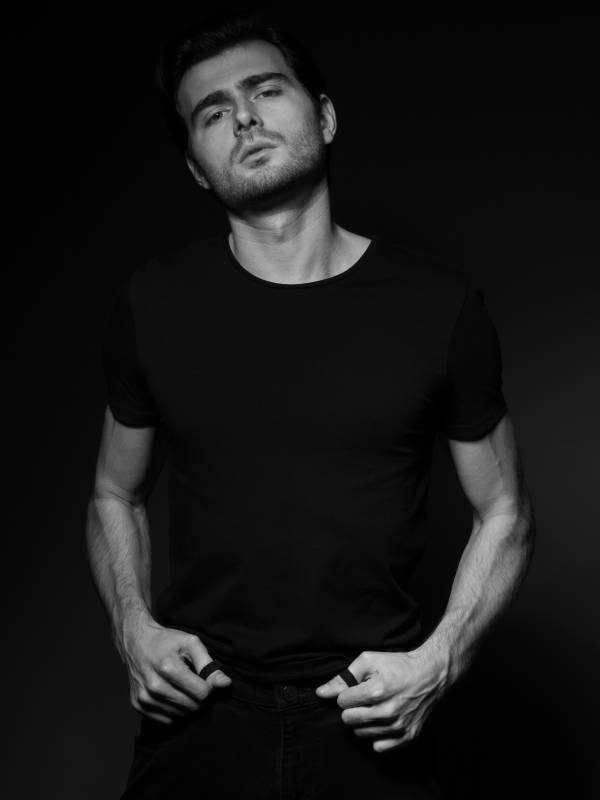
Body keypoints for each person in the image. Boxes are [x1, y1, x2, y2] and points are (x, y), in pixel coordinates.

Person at [87, 9, 536, 799]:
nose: (244, 118)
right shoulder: (153, 304)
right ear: (196, 167)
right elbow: (112, 493)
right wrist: (133, 629)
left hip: (370, 717)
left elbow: (505, 511)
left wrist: (441, 658)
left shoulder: (439, 307)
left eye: (265, 90)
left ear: (324, 117)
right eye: (213, 113)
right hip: (201, 717)